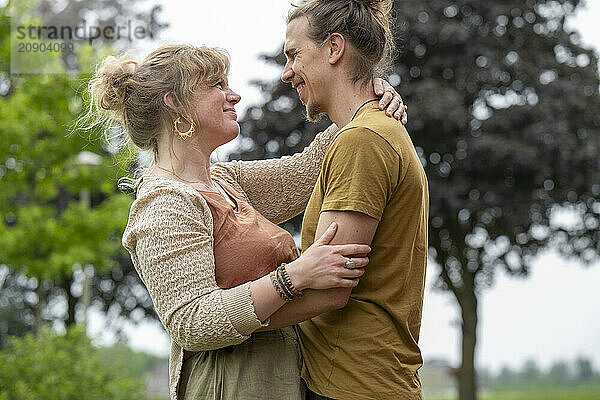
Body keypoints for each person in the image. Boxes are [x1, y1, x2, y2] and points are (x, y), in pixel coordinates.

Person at [84, 44, 405, 400]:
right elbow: (192, 321)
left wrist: (365, 100)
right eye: (216, 84)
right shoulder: (163, 204)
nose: (233, 95)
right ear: (174, 102)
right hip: (230, 383)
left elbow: (308, 168)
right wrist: (294, 276)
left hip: (279, 375)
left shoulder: (224, 182)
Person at [275, 1, 430, 399]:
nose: (286, 72)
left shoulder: (362, 141)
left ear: (334, 48)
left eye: (294, 54)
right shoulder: (370, 133)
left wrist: (224, 317)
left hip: (350, 386)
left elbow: (330, 287)